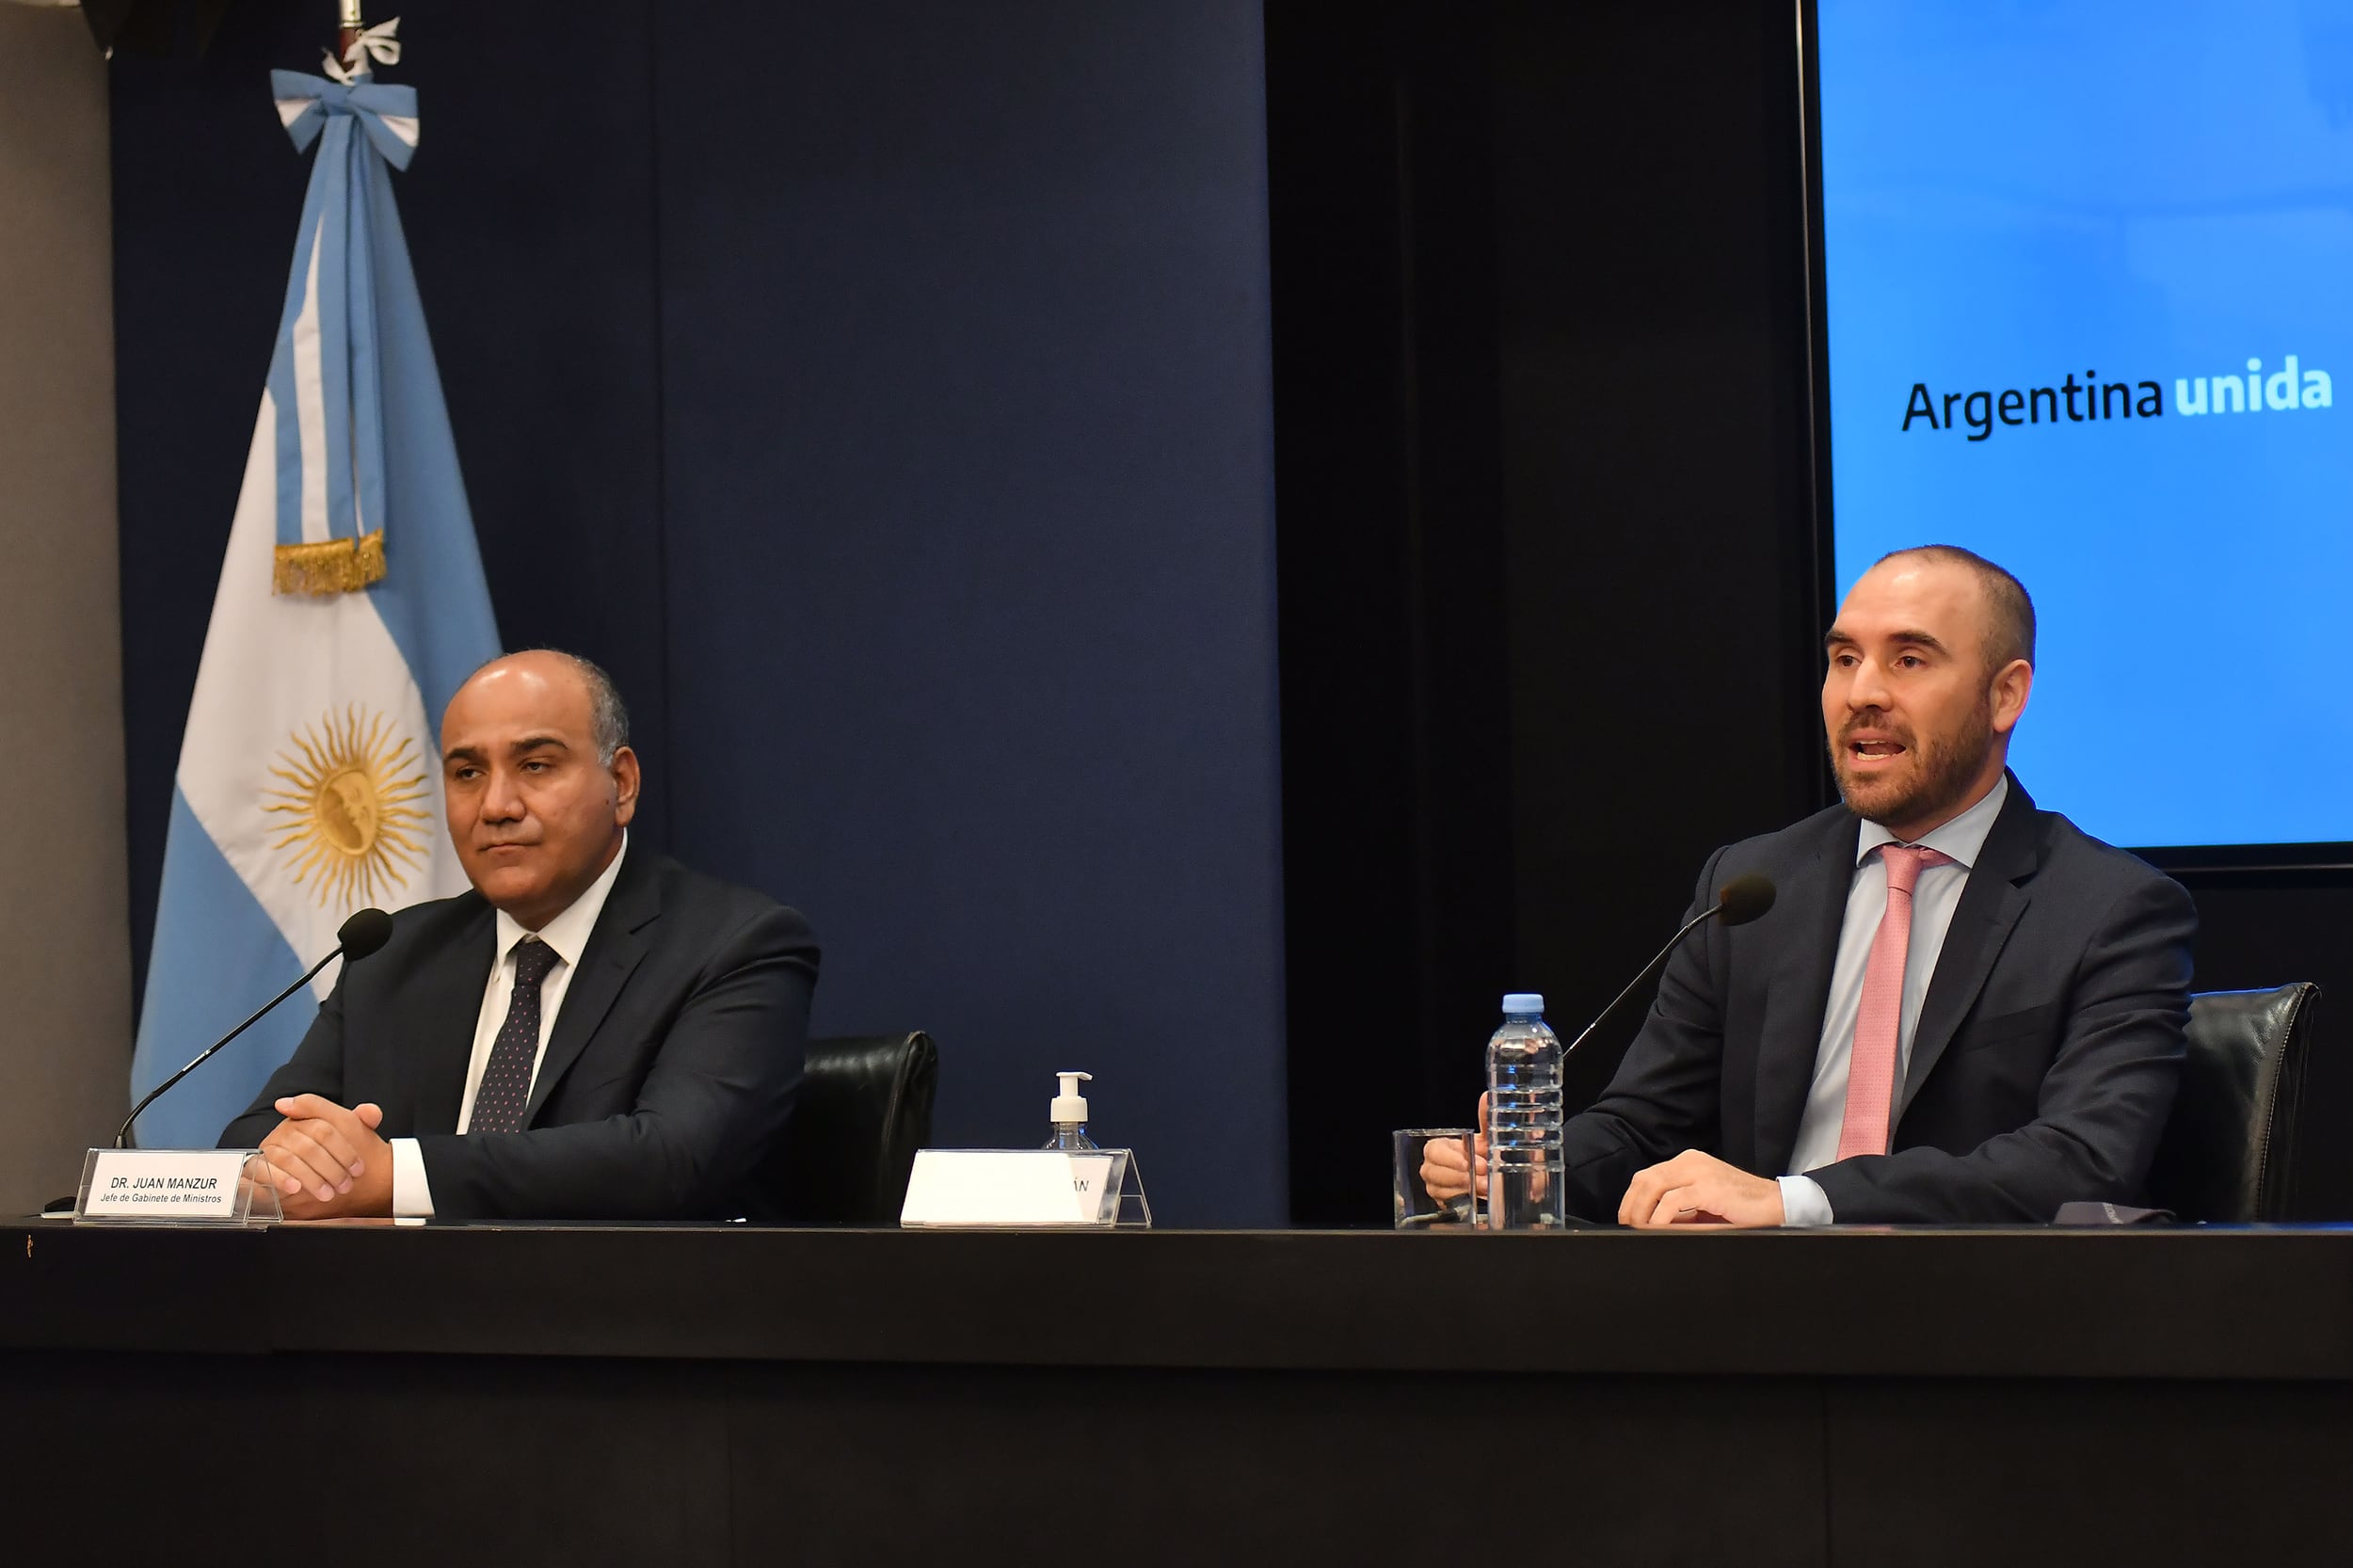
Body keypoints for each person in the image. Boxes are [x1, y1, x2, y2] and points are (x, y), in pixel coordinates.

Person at [1427, 545, 2196, 1226]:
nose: (1863, 692)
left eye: (1910, 660)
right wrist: (1532, 1170)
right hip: (1746, 1319)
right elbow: (1644, 1127)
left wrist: (1797, 1202)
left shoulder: (2108, 909)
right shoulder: (1751, 886)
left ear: (2006, 696)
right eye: (1844, 658)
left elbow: (2082, 1161)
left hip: (1975, 1326)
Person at [220, 650, 820, 1222]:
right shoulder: (395, 953)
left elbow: (671, 1157)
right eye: (467, 773)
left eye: (535, 765)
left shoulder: (735, 945)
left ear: (622, 783)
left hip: (633, 1315)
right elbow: (254, 1141)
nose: (497, 805)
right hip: (400, 1315)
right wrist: (300, 1166)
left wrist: (395, 1175)